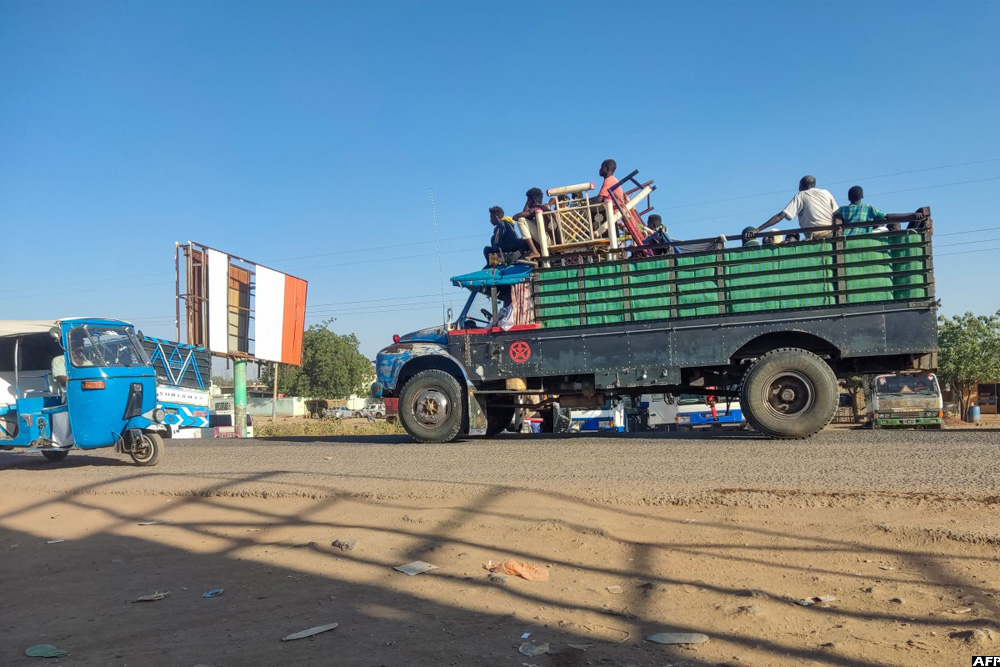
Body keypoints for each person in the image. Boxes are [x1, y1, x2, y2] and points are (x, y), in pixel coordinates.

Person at [747, 175, 838, 241]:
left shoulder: (801, 195)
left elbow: (781, 216)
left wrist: (758, 230)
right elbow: (837, 213)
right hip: (831, 235)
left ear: (801, 185)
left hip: (815, 237)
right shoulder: (826, 192)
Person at [833, 185, 927, 235]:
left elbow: (833, 214)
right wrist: (912, 216)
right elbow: (888, 216)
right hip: (863, 236)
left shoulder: (843, 209)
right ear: (862, 196)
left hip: (848, 237)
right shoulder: (868, 208)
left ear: (848, 197)